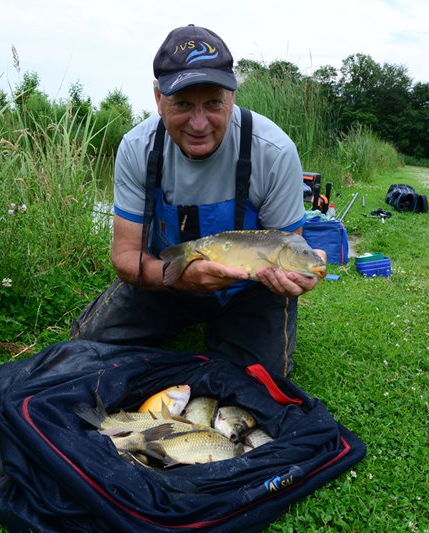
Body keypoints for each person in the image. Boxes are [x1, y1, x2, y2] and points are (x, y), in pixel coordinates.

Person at [70, 24, 324, 376]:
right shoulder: (137, 147)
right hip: (166, 280)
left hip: (248, 292)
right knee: (87, 345)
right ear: (159, 100)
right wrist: (183, 279)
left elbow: (288, 244)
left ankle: (229, 330)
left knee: (258, 377)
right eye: (184, 104)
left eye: (213, 103)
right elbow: (126, 256)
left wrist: (297, 278)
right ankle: (179, 318)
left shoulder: (274, 151)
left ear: (232, 97)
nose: (199, 123)